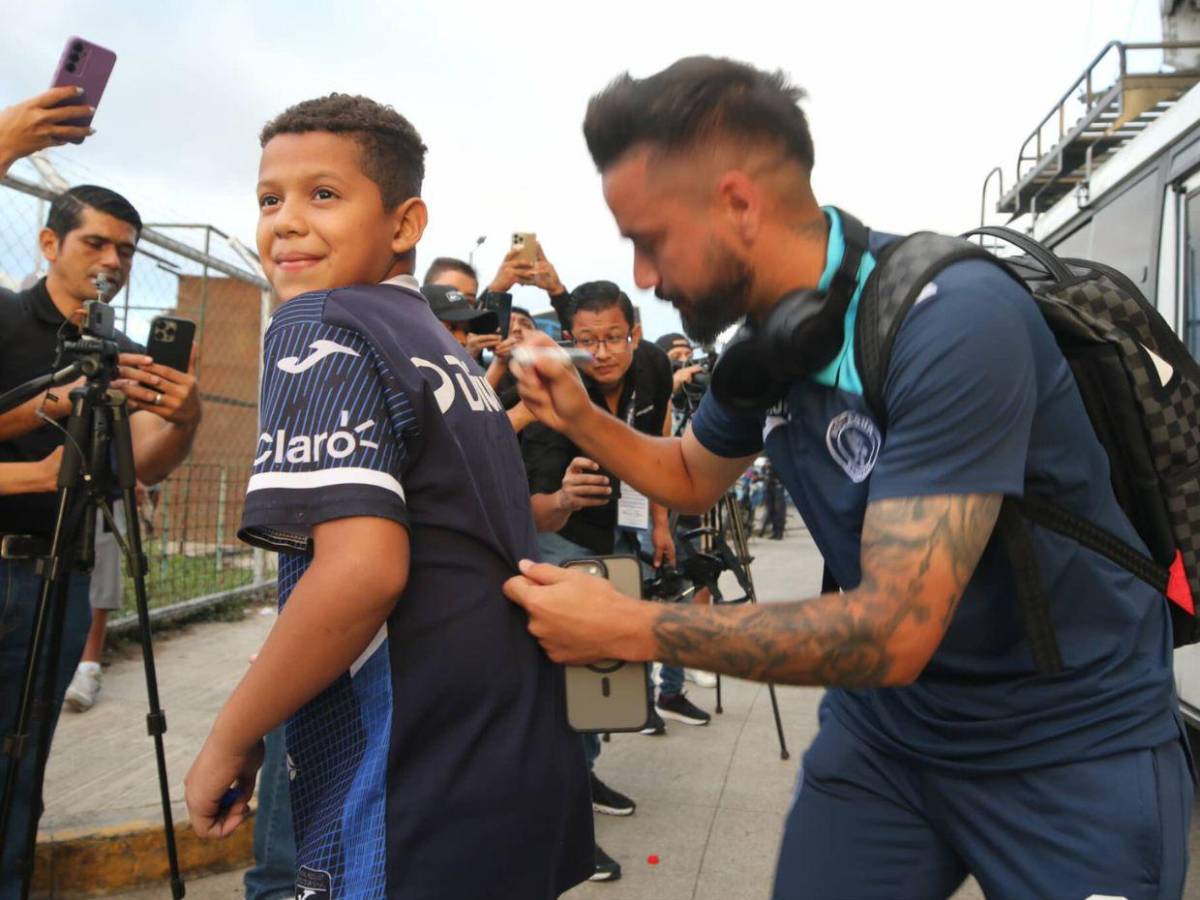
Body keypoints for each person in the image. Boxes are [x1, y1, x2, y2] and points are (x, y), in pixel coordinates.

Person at [505, 57, 1191, 899]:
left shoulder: (953, 323)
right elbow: (689, 475)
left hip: (1067, 747)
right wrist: (577, 413)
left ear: (737, 205)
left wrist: (631, 627)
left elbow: (892, 634)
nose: (645, 278)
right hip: (890, 740)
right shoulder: (767, 347)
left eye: (651, 241)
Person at [183, 93, 592, 899]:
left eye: (323, 195)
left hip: (409, 788)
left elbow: (360, 573)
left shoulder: (320, 325)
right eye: (270, 199)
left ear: (404, 225)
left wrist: (232, 735)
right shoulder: (441, 351)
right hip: (510, 761)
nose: (287, 222)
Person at [0, 183, 202, 896]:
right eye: (96, 243)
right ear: (50, 243)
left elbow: (137, 467)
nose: (112, 260)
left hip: (57, 582)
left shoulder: (117, 351)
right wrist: (43, 428)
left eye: (126, 250)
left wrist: (184, 417)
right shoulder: (4, 319)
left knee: (21, 767)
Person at [524, 281, 711, 737]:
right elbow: (528, 511)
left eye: (614, 337)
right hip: (562, 532)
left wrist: (661, 520)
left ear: (636, 333)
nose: (603, 352)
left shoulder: (651, 364)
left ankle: (605, 743)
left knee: (620, 641)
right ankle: (577, 772)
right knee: (576, 660)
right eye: (587, 342)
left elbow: (662, 432)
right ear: (570, 341)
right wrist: (565, 498)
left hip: (627, 521)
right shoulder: (549, 395)